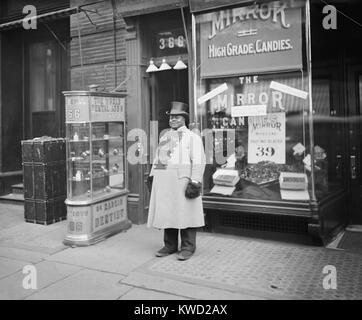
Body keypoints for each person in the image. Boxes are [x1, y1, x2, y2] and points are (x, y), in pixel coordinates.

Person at [146, 101, 206, 261]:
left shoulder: (193, 137)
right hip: (165, 183)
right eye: (171, 117)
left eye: (177, 117)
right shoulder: (165, 136)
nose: (172, 119)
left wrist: (195, 182)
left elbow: (199, 160)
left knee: (185, 214)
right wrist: (152, 176)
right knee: (168, 214)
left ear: (184, 119)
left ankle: (188, 247)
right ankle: (170, 245)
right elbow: (159, 158)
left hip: (182, 183)